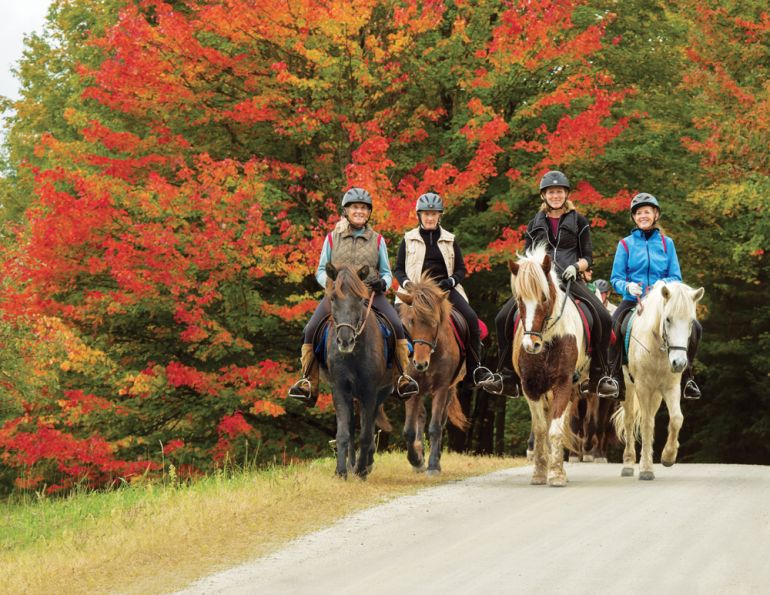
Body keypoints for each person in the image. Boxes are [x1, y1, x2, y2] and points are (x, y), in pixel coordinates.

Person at [485, 170, 619, 399]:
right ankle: (506, 374)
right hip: (540, 282)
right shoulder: (534, 223)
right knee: (501, 318)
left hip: (569, 279)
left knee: (604, 317)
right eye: (551, 192)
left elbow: (588, 256)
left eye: (559, 192)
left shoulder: (580, 221)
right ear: (544, 196)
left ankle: (599, 375)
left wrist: (577, 267)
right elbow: (527, 255)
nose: (555, 196)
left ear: (566, 194)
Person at [288, 187, 419, 400]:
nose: (359, 211)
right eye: (355, 207)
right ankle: (308, 382)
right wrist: (330, 286)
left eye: (364, 208)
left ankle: (400, 378)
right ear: (346, 211)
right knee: (310, 329)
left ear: (368, 213)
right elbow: (321, 270)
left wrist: (382, 283)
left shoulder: (378, 240)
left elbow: (387, 272)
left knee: (397, 327)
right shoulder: (332, 238)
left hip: (370, 296)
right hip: (339, 297)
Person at [393, 192, 495, 387]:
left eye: (434, 214)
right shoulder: (408, 239)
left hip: (443, 290)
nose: (430, 217)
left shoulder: (450, 239)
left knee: (471, 318)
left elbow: (461, 269)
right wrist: (406, 284)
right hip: (415, 291)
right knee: (394, 323)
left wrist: (450, 282)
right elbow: (398, 268)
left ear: (440, 216)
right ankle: (397, 374)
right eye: (426, 214)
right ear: (419, 215)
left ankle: (476, 370)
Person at [608, 192, 701, 400]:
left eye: (647, 212)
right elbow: (616, 278)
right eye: (639, 213)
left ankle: (687, 377)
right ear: (634, 217)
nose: (643, 216)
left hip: (663, 301)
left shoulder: (668, 244)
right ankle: (614, 378)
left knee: (695, 327)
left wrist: (662, 285)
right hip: (634, 300)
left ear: (655, 215)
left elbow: (676, 275)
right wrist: (628, 286)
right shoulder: (625, 244)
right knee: (613, 326)